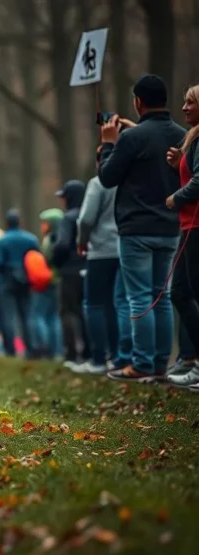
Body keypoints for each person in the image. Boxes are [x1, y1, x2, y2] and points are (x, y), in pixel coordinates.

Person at [99, 74, 185, 382]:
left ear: (138, 101)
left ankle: (142, 363)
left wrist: (109, 145)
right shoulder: (182, 134)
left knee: (139, 298)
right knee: (161, 296)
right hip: (170, 226)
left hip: (136, 228)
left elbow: (108, 178)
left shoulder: (131, 139)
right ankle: (162, 362)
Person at [75, 149, 130, 374]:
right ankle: (120, 356)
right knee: (119, 304)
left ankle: (98, 359)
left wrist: (82, 241)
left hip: (100, 251)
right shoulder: (128, 181)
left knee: (94, 304)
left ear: (100, 163)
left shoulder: (98, 183)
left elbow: (86, 218)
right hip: (125, 247)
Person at [165, 83, 199, 386]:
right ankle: (193, 360)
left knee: (189, 293)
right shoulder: (193, 138)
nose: (184, 108)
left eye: (190, 103)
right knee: (180, 293)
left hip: (196, 226)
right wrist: (180, 165)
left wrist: (178, 196)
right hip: (189, 226)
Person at [0, 208, 39, 358]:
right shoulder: (31, 239)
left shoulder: (2, 241)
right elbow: (38, 259)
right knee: (27, 315)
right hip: (26, 280)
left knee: (8, 315)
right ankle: (30, 349)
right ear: (20, 222)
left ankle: (10, 350)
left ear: (6, 223)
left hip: (7, 281)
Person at [52, 180, 90, 368]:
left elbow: (61, 245)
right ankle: (91, 353)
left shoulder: (68, 218)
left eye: (64, 197)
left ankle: (72, 353)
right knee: (88, 310)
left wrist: (56, 261)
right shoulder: (90, 214)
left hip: (69, 271)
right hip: (89, 267)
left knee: (68, 312)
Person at [34, 208, 64, 360]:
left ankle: (46, 347)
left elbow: (46, 260)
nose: (42, 226)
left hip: (48, 282)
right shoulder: (63, 237)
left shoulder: (49, 240)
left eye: (44, 223)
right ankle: (58, 350)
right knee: (55, 317)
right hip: (58, 281)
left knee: (41, 316)